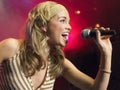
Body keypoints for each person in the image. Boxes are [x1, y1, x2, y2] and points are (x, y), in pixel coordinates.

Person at [0, 1, 112, 90]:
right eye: (62, 20)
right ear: (43, 25)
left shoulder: (57, 62)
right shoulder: (12, 47)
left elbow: (97, 88)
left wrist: (106, 53)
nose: (69, 27)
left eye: (68, 22)